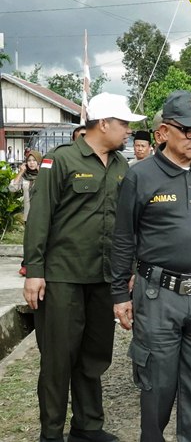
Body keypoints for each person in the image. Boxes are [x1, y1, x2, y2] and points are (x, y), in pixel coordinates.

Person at [23, 92, 143, 442]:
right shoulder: (60, 160)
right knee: (59, 360)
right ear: (103, 123)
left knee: (94, 357)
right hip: (62, 277)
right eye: (123, 124)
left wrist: (130, 268)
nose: (128, 132)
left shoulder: (122, 166)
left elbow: (128, 224)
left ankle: (88, 426)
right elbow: (40, 217)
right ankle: (51, 433)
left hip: (104, 277)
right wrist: (35, 271)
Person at [111, 90, 191, 442]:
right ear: (162, 133)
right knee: (157, 385)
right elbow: (123, 238)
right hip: (159, 296)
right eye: (188, 130)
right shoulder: (140, 176)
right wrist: (119, 294)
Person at [10, 150, 41, 220]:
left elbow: (48, 189)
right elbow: (12, 189)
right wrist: (21, 172)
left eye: (34, 160)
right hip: (28, 215)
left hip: (42, 214)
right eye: (29, 160)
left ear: (39, 161)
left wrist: (40, 172)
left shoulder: (45, 175)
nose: (31, 163)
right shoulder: (24, 176)